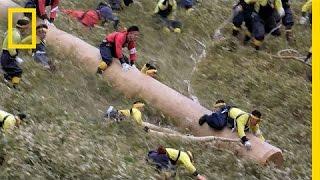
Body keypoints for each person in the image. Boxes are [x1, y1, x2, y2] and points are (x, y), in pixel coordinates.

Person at [199, 100, 265, 150]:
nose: (257, 122)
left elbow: (258, 134)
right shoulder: (243, 118)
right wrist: (245, 141)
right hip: (227, 113)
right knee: (219, 125)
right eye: (256, 120)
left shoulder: (255, 124)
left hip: (233, 115)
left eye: (258, 120)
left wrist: (263, 143)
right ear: (251, 118)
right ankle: (208, 117)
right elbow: (240, 130)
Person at [1, 17, 30, 89]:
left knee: (11, 69)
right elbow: (11, 49)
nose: (27, 31)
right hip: (8, 56)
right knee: (18, 71)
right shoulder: (16, 35)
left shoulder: (12, 31)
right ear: (23, 27)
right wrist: (15, 57)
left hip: (5, 55)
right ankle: (14, 86)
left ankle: (6, 80)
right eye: (26, 28)